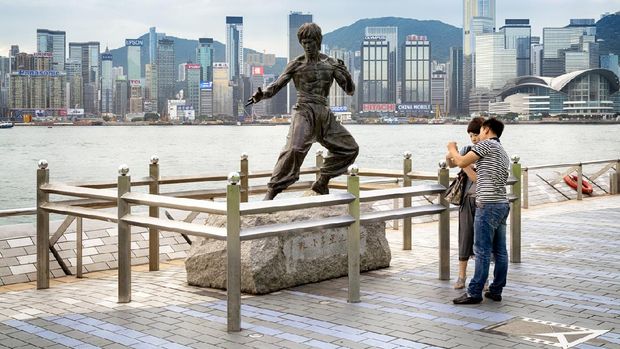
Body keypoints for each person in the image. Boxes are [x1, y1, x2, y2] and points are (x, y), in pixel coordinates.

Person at [246, 23, 359, 200]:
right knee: (293, 150)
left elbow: (350, 90)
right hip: (304, 111)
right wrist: (262, 95)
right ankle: (270, 194)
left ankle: (322, 181)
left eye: (311, 42)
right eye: (304, 42)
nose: (307, 46)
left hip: (323, 113)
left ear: (318, 41)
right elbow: (276, 86)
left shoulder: (331, 64)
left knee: (350, 148)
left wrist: (345, 73)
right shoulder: (295, 64)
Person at [446, 117, 510, 304]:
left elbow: (460, 162)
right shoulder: (502, 151)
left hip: (487, 205)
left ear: (487, 130)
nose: (478, 135)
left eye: (480, 131)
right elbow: (475, 173)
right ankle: (496, 290)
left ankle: (474, 292)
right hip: (501, 203)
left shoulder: (486, 146)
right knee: (500, 251)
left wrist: (451, 148)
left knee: (481, 250)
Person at [446, 117, 484, 290]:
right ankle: (461, 275)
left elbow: (475, 176)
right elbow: (451, 164)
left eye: (476, 134)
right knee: (465, 237)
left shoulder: (487, 150)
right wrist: (450, 155)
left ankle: (482, 277)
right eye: (471, 135)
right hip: (467, 200)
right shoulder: (467, 149)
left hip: (483, 200)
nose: (474, 138)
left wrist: (463, 162)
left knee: (482, 241)